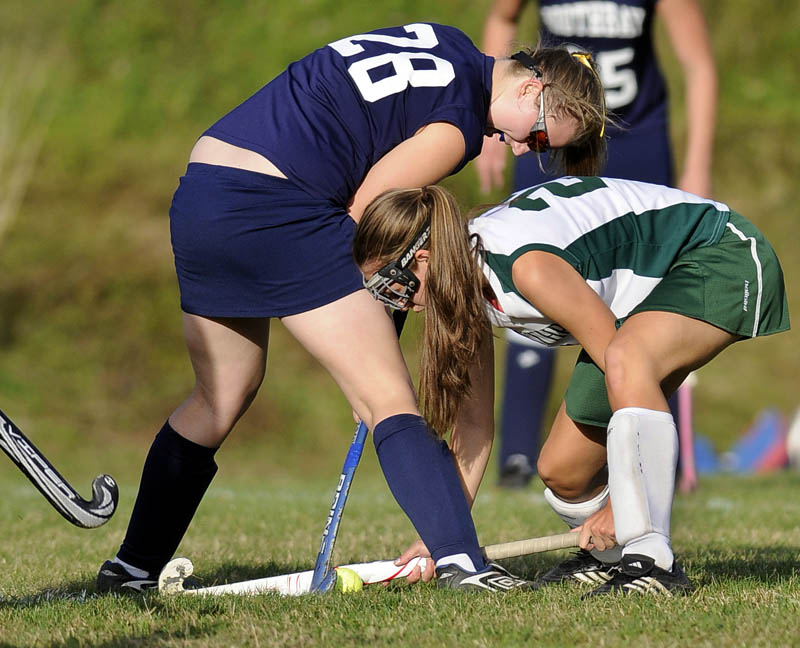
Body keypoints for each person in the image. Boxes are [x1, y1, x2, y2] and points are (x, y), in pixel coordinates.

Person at [95, 22, 607, 593]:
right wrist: (379, 308)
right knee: (386, 398)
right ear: (531, 91)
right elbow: (364, 215)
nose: (518, 149)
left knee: (221, 395)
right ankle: (465, 564)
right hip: (278, 203)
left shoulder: (447, 39)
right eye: (537, 138)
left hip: (204, 192)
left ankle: (133, 568)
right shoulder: (458, 125)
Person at [353, 179, 789, 595]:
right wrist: (444, 536)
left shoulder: (526, 268)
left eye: (392, 281)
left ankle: (651, 558)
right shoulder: (463, 284)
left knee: (626, 359)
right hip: (642, 304)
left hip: (719, 253)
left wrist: (624, 503)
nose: (396, 300)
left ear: (424, 258)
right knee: (563, 471)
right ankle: (610, 558)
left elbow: (624, 365)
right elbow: (473, 424)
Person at [476, 0, 718, 489]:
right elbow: (502, 18)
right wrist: (488, 130)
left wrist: (697, 165)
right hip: (547, 125)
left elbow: (698, 64)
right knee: (527, 272)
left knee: (648, 295)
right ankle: (518, 453)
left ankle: (654, 454)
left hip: (633, 132)